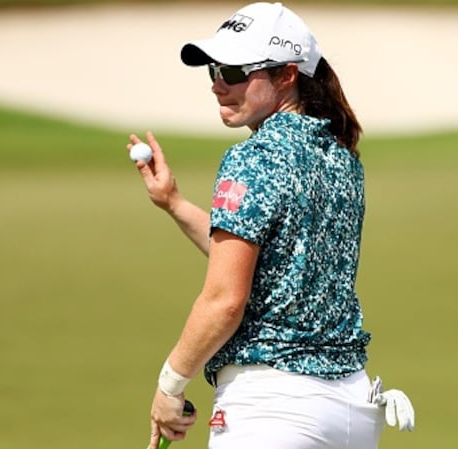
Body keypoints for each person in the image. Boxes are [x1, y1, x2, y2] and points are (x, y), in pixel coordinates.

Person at [125, 3, 414, 449]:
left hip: (274, 410)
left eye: (236, 71)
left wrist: (169, 386)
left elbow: (224, 299)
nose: (219, 84)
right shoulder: (341, 155)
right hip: (353, 410)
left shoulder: (253, 156)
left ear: (287, 74)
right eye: (215, 70)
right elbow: (267, 260)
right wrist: (175, 203)